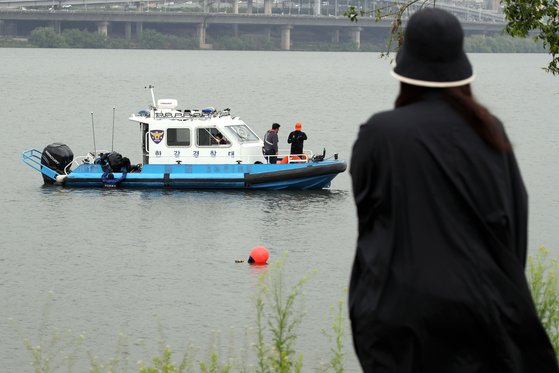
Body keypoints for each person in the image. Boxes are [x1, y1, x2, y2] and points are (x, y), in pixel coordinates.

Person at [349, 8, 559, 373]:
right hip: (487, 318)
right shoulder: (490, 130)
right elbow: (514, 226)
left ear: (404, 70)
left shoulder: (380, 134)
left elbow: (370, 228)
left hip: (401, 325)